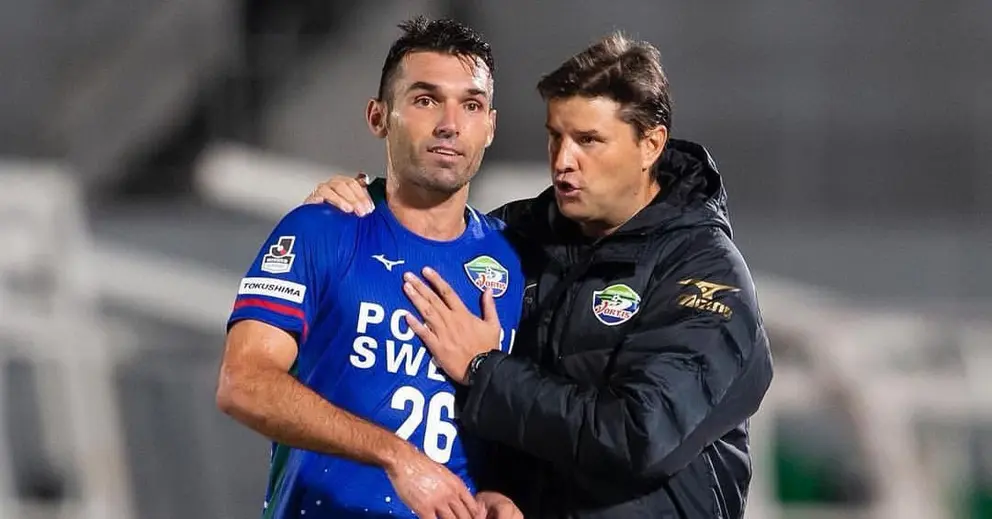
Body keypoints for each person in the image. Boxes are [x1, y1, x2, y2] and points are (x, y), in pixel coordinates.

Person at [305, 31, 774, 519]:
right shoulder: (513, 237)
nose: (563, 161)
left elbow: (638, 436)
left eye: (588, 140)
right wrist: (354, 206)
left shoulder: (706, 275)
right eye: (555, 137)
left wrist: (484, 368)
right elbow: (408, 275)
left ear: (650, 144)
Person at [215, 17, 526, 519]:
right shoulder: (321, 230)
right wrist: (396, 456)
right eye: (425, 100)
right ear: (378, 116)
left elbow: (532, 418)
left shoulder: (518, 260)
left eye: (470, 105)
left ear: (489, 126)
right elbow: (243, 382)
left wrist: (507, 494)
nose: (450, 123)